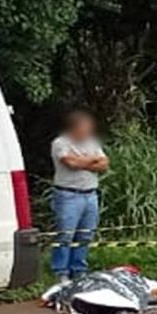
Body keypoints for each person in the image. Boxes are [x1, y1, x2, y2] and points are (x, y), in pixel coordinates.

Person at [50, 108, 109, 283]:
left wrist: (82, 161)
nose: (89, 130)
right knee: (66, 235)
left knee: (86, 235)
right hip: (68, 195)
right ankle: (61, 271)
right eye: (85, 127)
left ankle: (79, 270)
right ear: (74, 127)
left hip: (90, 195)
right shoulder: (61, 143)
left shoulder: (92, 142)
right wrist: (92, 160)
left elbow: (104, 164)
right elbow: (70, 163)